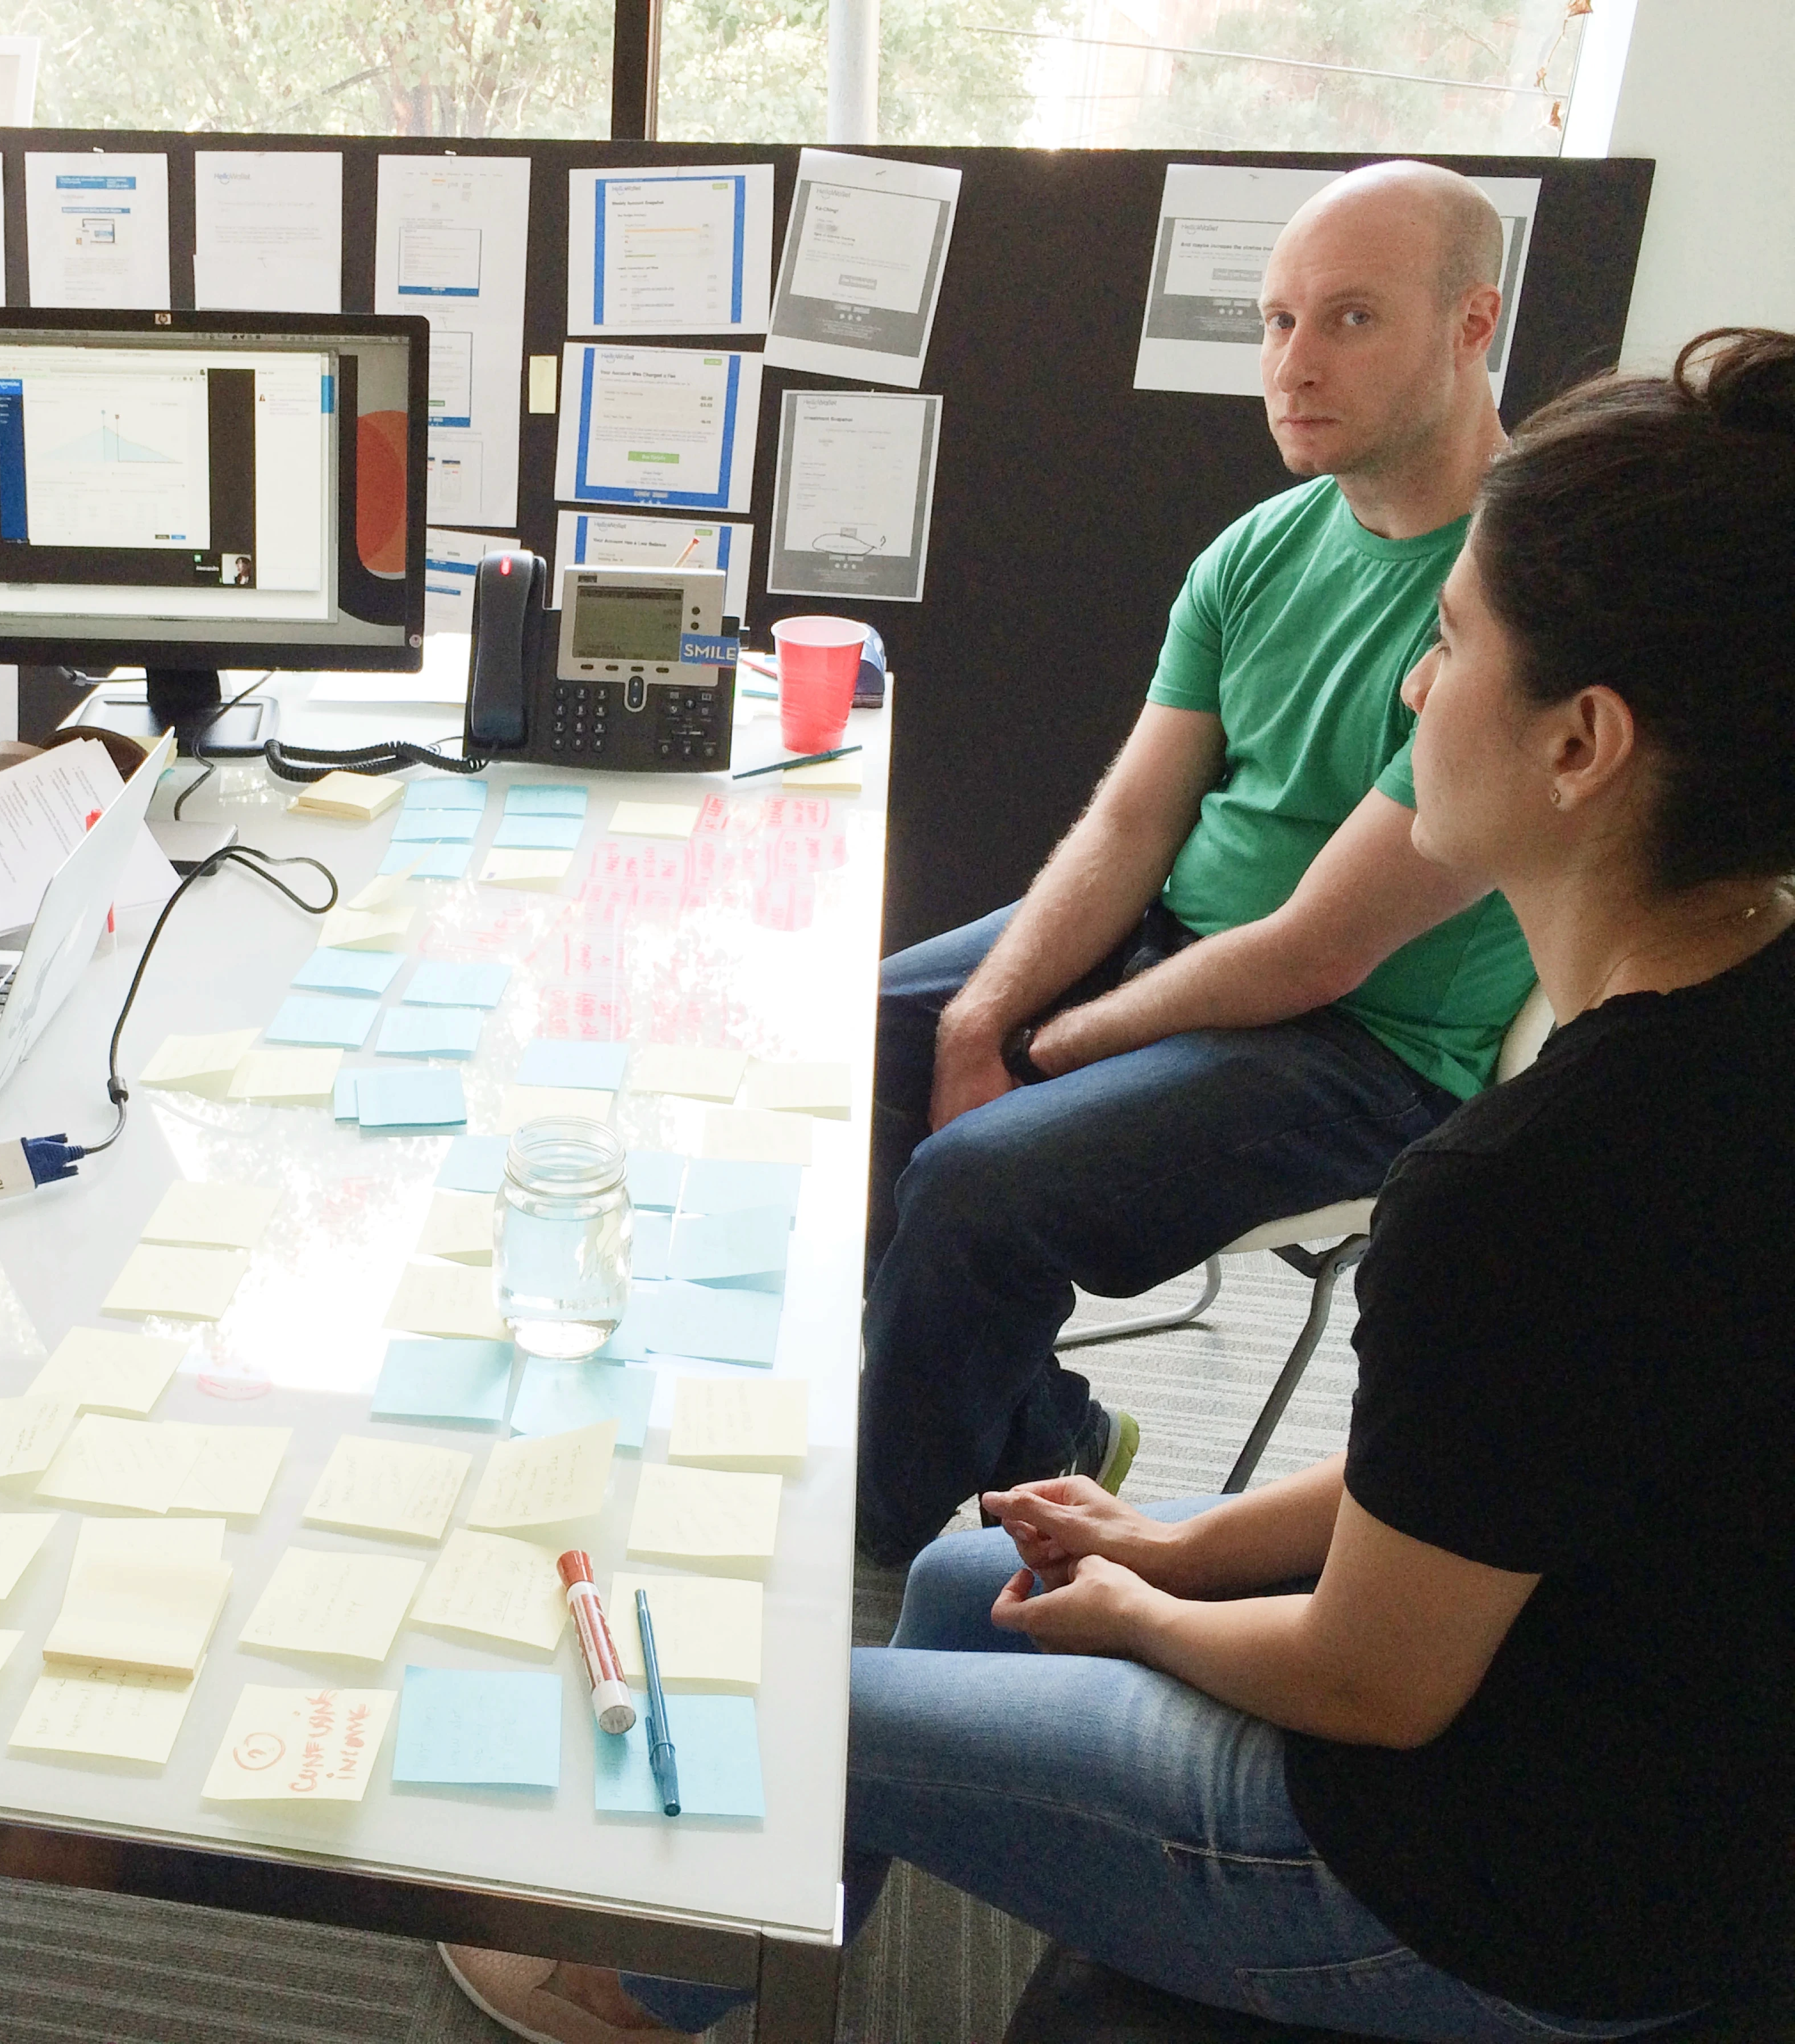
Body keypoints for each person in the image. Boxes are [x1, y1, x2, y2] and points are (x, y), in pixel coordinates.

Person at [444, 326, 1795, 2042]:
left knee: (802, 1720)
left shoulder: (1534, 1187)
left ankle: (644, 1989)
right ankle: (730, 1956)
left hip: (1499, 1898)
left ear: (1583, 743)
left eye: (1450, 649)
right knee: (954, 1587)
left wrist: (1151, 1605)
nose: (1411, 693)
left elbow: (1371, 1682)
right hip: (1614, 1728)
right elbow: (1488, 1465)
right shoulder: (1723, 1040)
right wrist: (1169, 1542)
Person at [858, 160, 1538, 1566]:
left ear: (1475, 323)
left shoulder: (1523, 594)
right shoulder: (1259, 547)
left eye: (1349, 319)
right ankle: (1041, 1437)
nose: (1293, 365)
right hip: (1190, 939)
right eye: (1277, 322)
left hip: (1368, 1042)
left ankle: (878, 1552)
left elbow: (1319, 951)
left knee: (978, 1180)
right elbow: (1132, 824)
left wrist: (1043, 1048)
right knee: (863, 1042)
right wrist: (987, 1013)